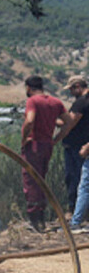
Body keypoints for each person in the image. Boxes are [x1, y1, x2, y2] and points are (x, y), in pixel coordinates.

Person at [20, 75, 65, 232]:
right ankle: (41, 219)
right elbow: (67, 121)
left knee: (31, 181)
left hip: (34, 145)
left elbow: (30, 120)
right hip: (47, 146)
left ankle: (35, 222)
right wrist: (57, 138)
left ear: (28, 88)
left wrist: (24, 138)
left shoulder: (32, 101)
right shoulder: (55, 102)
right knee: (41, 180)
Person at [52, 74, 89, 215]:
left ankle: (74, 210)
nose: (70, 92)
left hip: (77, 147)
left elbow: (69, 124)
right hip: (83, 145)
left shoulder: (81, 102)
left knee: (74, 179)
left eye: (71, 89)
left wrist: (54, 139)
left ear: (77, 87)